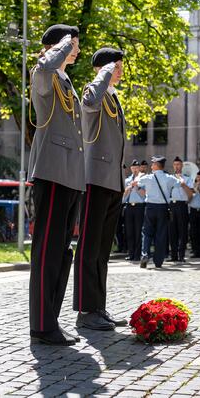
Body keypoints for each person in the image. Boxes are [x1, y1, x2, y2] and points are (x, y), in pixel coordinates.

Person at [27, 24, 84, 346]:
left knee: (61, 253)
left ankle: (51, 320)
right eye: (71, 44)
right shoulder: (43, 73)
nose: (75, 50)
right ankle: (41, 325)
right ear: (56, 45)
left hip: (69, 174)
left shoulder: (64, 80)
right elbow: (47, 63)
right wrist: (62, 43)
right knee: (47, 252)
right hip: (51, 172)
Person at [74, 47, 127, 331]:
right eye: (116, 67)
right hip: (95, 177)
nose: (119, 72)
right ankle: (84, 309)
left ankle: (98, 307)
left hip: (112, 179)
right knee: (88, 247)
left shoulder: (113, 96)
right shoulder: (93, 92)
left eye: (118, 68)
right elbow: (90, 101)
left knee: (103, 249)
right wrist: (104, 72)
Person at [137, 155, 187, 268]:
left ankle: (144, 254)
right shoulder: (169, 178)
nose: (151, 166)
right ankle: (158, 261)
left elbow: (136, 183)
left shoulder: (148, 178)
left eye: (152, 164)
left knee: (147, 232)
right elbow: (181, 183)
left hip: (150, 207)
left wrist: (139, 176)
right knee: (161, 234)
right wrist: (180, 177)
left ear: (155, 165)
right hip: (163, 208)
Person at [168, 157, 193, 262]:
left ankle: (181, 255)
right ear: (173, 166)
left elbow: (191, 194)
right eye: (175, 164)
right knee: (172, 231)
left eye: (179, 164)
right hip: (171, 206)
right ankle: (173, 255)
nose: (177, 166)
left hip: (182, 205)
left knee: (182, 231)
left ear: (182, 166)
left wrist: (183, 184)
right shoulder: (169, 178)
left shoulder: (187, 178)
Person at [123, 159, 146, 261]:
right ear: (131, 169)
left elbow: (145, 194)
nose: (135, 170)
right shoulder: (127, 180)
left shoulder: (143, 179)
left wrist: (136, 186)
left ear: (139, 168)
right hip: (129, 207)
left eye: (136, 168)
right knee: (129, 231)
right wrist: (128, 188)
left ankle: (137, 254)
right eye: (133, 168)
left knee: (138, 230)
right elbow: (123, 198)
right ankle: (131, 253)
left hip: (139, 207)